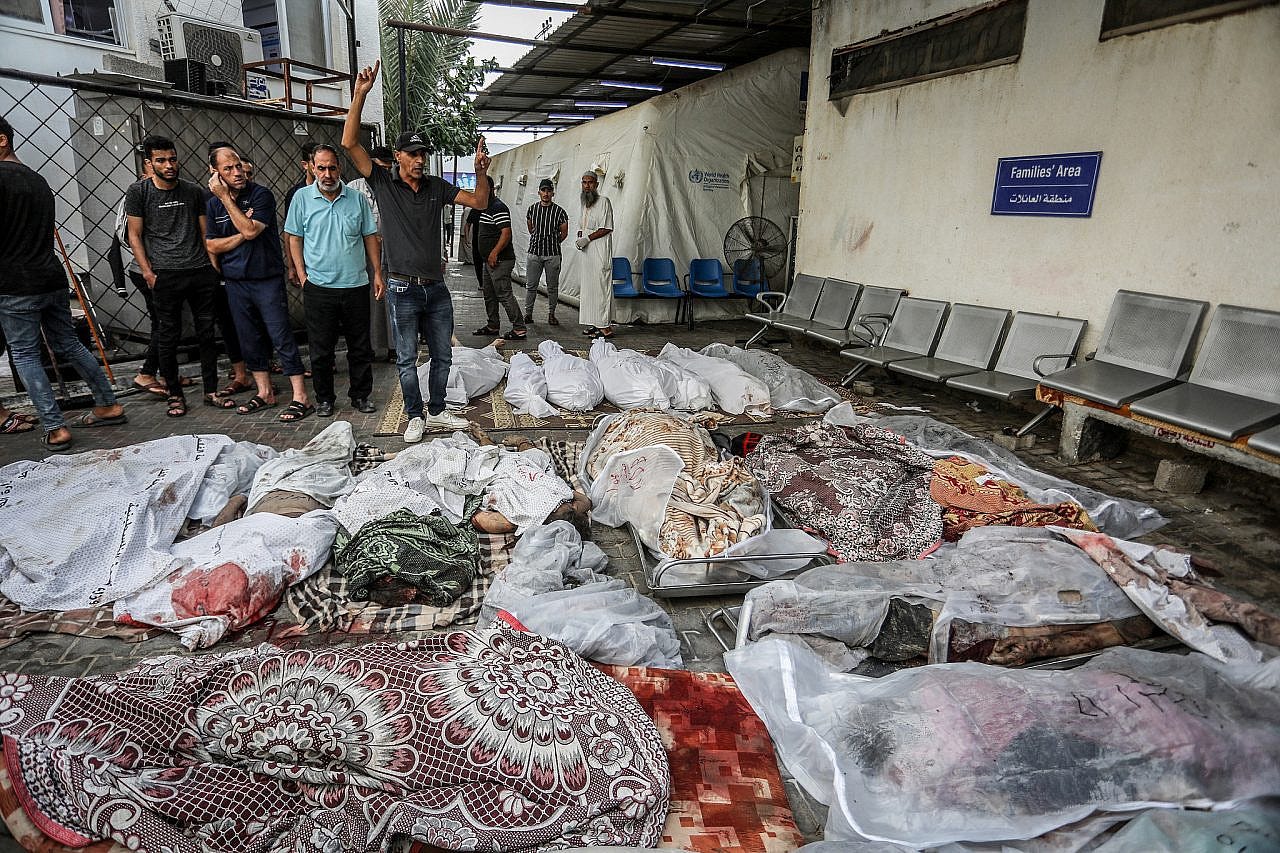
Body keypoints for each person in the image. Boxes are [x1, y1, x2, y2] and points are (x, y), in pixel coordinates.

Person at [342, 59, 492, 444]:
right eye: (414, 154)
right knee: (407, 360)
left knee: (443, 355)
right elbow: (349, 143)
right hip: (402, 289)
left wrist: (479, 170)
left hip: (437, 289)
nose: (421, 159)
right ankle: (414, 414)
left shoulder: (437, 187)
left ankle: (438, 411)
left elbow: (478, 201)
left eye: (423, 153)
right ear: (398, 157)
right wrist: (360, 94)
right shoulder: (381, 182)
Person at [0, 115, 126, 452]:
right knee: (68, 343)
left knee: (25, 354)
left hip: (14, 283)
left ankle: (55, 427)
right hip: (50, 276)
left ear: (2, 140)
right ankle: (108, 403)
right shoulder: (37, 179)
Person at [205, 142, 312, 421]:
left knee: (281, 336)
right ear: (215, 172)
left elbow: (253, 231)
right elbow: (213, 246)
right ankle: (264, 392)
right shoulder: (212, 204)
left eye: (238, 165)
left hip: (266, 278)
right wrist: (242, 230)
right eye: (228, 168)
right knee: (248, 338)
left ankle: (301, 396)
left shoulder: (261, 195)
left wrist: (232, 207)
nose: (237, 172)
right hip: (236, 281)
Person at [124, 135, 223, 418]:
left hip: (199, 271)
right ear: (149, 163)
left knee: (207, 334)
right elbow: (135, 235)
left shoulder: (192, 191)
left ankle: (211, 390)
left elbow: (206, 232)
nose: (169, 165)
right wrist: (147, 272)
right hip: (164, 274)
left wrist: (212, 268)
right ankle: (175, 395)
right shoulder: (139, 192)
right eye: (161, 161)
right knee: (169, 335)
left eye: (172, 159)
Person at [284, 143, 382, 420]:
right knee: (321, 350)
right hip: (319, 288)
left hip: (355, 285)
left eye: (332, 167)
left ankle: (361, 396)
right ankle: (325, 399)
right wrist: (302, 276)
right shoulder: (302, 199)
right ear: (312, 168)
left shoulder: (357, 199)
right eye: (321, 168)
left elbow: (369, 237)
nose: (327, 174)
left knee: (360, 347)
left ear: (340, 168)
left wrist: (377, 273)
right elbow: (294, 238)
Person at [348, 145, 395, 362]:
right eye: (380, 167)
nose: (384, 172)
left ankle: (394, 347)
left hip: (391, 252)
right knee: (366, 303)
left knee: (392, 300)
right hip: (361, 253)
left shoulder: (395, 186)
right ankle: (368, 347)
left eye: (387, 168)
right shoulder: (353, 189)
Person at [472, 176, 525, 341]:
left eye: (482, 188)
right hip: (488, 260)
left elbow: (506, 233)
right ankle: (493, 325)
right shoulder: (484, 207)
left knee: (504, 293)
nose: (478, 191)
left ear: (491, 189)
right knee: (489, 294)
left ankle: (519, 328)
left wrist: (494, 252)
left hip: (500, 260)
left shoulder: (498, 207)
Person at [576, 170, 615, 339]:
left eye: (590, 182)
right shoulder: (585, 203)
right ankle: (595, 324)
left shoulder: (604, 201)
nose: (587, 186)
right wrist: (580, 237)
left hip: (599, 252)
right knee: (589, 290)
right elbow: (582, 225)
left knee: (601, 289)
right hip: (587, 254)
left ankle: (605, 327)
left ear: (596, 185)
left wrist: (587, 238)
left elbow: (606, 227)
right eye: (584, 182)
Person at [524, 177, 569, 325]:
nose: (546, 193)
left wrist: (553, 243)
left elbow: (564, 233)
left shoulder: (560, 212)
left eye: (549, 191)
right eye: (543, 190)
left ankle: (551, 314)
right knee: (531, 286)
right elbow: (531, 229)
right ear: (539, 192)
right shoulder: (532, 209)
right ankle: (528, 314)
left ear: (553, 193)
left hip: (552, 255)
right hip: (534, 253)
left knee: (552, 287)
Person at [283, 142, 317, 287]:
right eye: (315, 163)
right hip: (306, 262)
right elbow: (290, 234)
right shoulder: (296, 195)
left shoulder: (338, 191)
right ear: (305, 164)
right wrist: (292, 267)